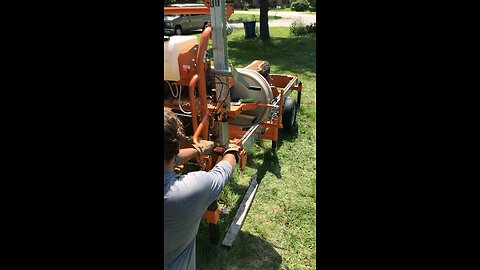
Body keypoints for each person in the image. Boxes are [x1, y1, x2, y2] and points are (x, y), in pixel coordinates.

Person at [164, 109, 241, 270]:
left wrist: (199, 150)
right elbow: (222, 172)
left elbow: (174, 159)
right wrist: (232, 151)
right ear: (176, 145)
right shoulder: (189, 190)